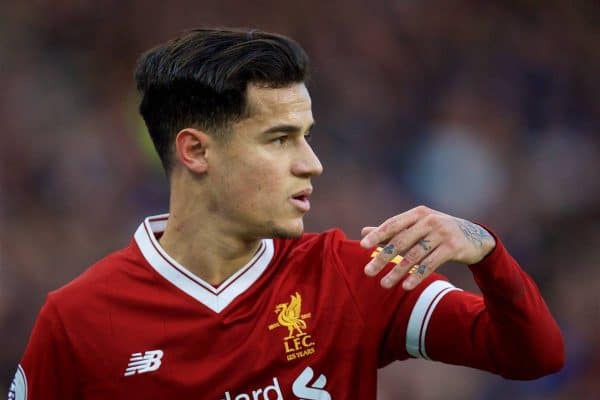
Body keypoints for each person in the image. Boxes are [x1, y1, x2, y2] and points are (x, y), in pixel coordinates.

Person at [9, 28, 564, 400]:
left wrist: (483, 249)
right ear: (196, 151)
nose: (312, 164)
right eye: (279, 140)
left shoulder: (353, 275)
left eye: (307, 137)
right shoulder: (78, 320)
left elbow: (532, 354)